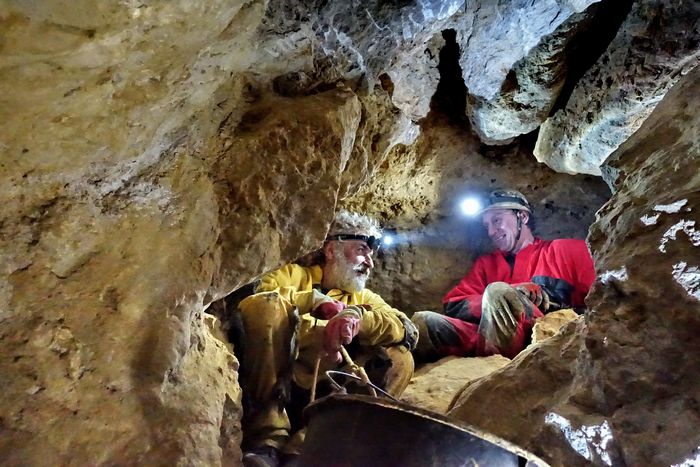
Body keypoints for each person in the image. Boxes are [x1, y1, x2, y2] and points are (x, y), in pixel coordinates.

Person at [238, 210, 418, 467]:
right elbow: (256, 297)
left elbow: (407, 329)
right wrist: (316, 302)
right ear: (331, 250)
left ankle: (307, 447)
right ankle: (268, 440)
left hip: (329, 392)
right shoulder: (292, 276)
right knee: (266, 305)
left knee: (400, 357)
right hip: (280, 384)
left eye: (371, 254)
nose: (369, 262)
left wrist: (357, 319)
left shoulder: (364, 298)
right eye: (361, 250)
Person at [411, 189, 595, 362]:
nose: (491, 232)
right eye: (486, 225)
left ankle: (494, 370)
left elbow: (601, 299)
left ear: (522, 217)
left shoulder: (566, 250)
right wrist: (496, 299)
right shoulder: (487, 264)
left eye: (497, 220)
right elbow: (454, 305)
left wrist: (545, 302)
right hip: (486, 339)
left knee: (498, 291)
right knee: (423, 322)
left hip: (542, 338)